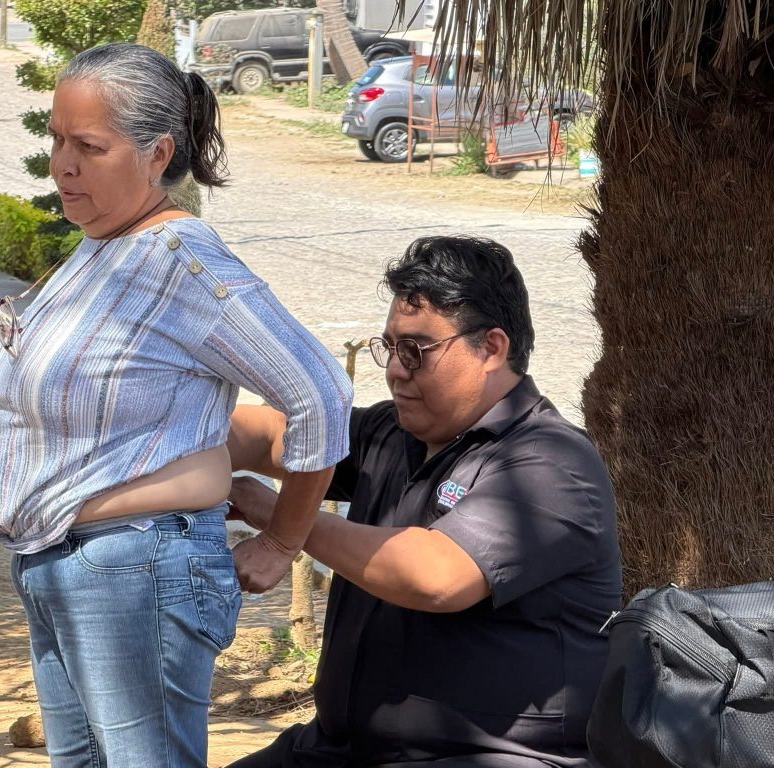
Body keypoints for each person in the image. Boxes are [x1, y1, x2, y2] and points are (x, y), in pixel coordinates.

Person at [0, 43, 352, 768]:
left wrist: (284, 541)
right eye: (57, 140)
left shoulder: (183, 262)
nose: (62, 166)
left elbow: (321, 393)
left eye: (89, 146)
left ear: (157, 154)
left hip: (136, 566)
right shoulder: (101, 245)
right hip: (63, 564)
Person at [225, 235, 623, 768]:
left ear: (491, 349)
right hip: (341, 749)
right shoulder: (395, 433)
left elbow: (436, 576)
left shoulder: (551, 463)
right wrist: (177, 433)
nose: (395, 369)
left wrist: (282, 520)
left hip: (491, 757)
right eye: (390, 347)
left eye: (416, 350)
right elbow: (275, 435)